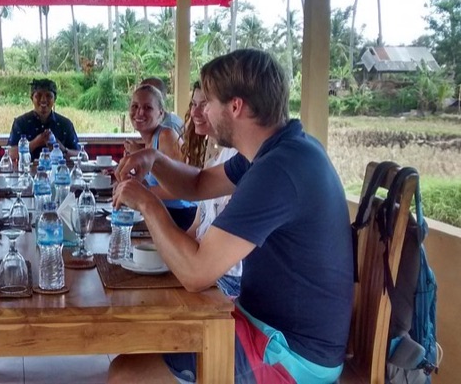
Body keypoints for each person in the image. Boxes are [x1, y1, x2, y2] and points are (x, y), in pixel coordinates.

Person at [109, 49, 353, 383]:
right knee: (147, 340)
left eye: (208, 102)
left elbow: (196, 272)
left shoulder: (279, 170)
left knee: (126, 374)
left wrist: (148, 203)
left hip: (291, 356)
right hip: (263, 325)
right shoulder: (277, 149)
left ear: (235, 106)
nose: (202, 111)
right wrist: (154, 160)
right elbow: (197, 184)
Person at [181, 81, 242, 298]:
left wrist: (148, 203)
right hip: (207, 266)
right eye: (193, 104)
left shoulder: (240, 159)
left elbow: (209, 262)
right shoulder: (216, 158)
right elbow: (197, 225)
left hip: (226, 278)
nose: (196, 112)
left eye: (205, 104)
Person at [123, 85, 197, 230]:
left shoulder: (166, 136)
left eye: (148, 108)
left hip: (183, 217)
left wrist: (139, 192)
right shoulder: (149, 142)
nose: (140, 112)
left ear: (161, 114)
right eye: (135, 106)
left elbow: (181, 189)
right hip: (163, 212)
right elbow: (155, 184)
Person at [7, 78, 79, 160]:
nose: (43, 100)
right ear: (32, 98)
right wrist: (35, 143)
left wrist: (62, 149)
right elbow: (9, 154)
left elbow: (79, 155)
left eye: (48, 96)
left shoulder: (65, 124)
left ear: (54, 99)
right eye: (38, 96)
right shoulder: (20, 123)